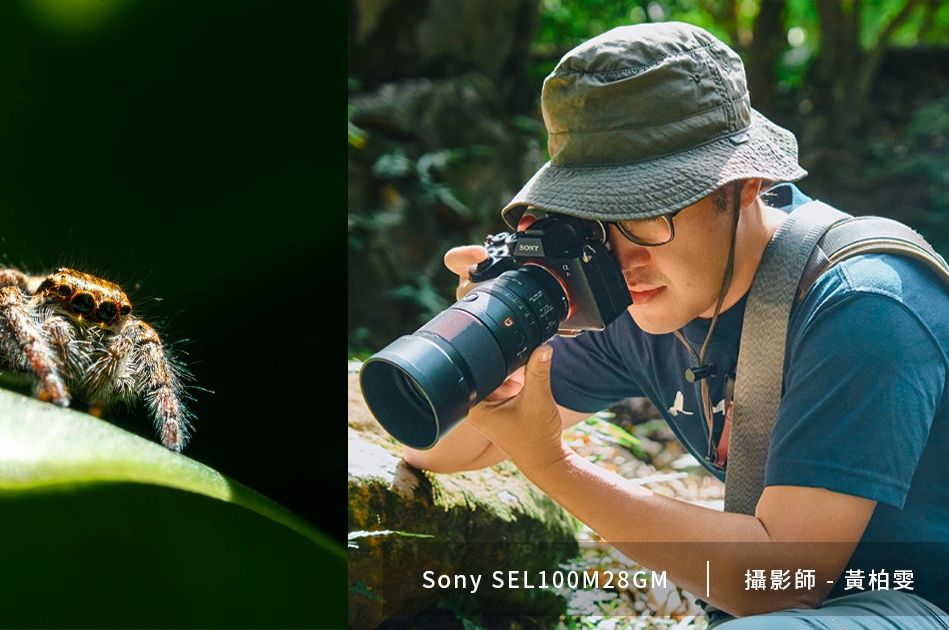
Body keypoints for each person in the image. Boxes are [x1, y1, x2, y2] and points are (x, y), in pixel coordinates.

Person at [402, 21, 949, 627]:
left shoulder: (863, 305)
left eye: (648, 212)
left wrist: (551, 463)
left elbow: (782, 583)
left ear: (745, 184)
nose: (624, 256)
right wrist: (482, 343)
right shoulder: (637, 293)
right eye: (594, 219)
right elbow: (440, 447)